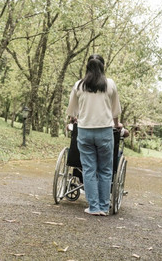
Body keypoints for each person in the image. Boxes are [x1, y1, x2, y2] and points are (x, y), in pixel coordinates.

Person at [66, 54, 121, 216]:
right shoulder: (109, 84)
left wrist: (75, 117)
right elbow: (115, 109)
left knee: (89, 169)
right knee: (105, 170)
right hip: (105, 131)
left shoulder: (79, 85)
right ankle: (104, 207)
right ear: (102, 67)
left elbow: (72, 110)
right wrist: (117, 124)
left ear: (87, 67)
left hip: (85, 131)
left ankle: (94, 207)